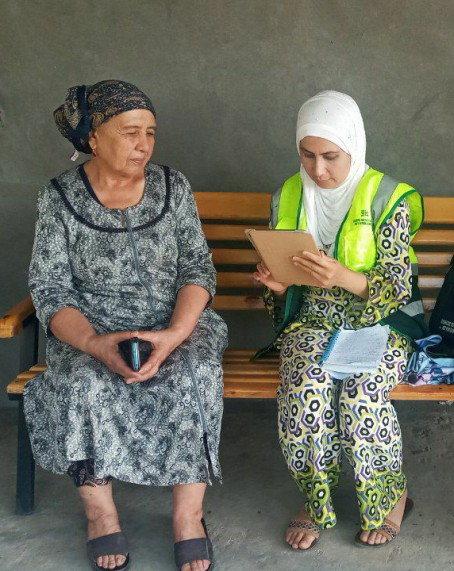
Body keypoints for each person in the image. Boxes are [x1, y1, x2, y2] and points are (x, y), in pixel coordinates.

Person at [25, 80, 227, 571]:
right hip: (90, 328)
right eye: (130, 132)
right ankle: (101, 516)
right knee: (82, 381)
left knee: (195, 373)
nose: (143, 144)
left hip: (176, 320)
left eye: (150, 133)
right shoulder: (58, 198)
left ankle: (188, 516)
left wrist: (175, 334)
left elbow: (197, 269)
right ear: (92, 137)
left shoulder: (173, 186)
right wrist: (95, 343)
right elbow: (50, 290)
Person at [253, 90, 426, 550]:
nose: (317, 169)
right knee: (304, 389)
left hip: (380, 323)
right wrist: (278, 288)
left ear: (354, 146)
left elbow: (398, 288)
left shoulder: (389, 197)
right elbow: (287, 288)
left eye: (330, 156)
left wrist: (345, 278)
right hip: (314, 321)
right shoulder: (288, 195)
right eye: (306, 155)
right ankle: (316, 500)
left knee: (360, 395)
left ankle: (390, 496)